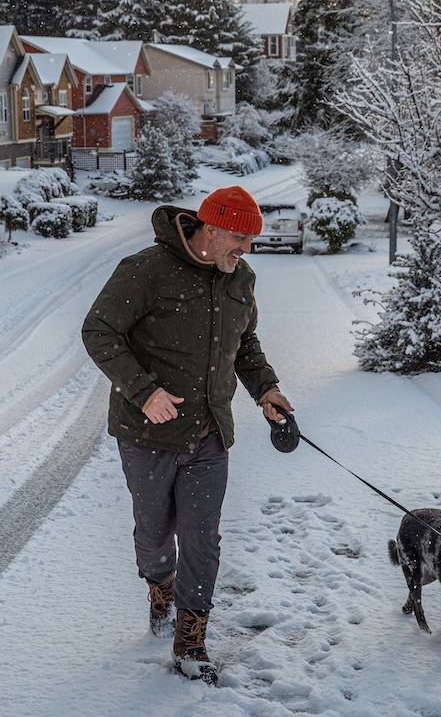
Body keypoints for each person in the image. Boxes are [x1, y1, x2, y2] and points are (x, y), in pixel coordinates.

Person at [81, 185, 293, 685]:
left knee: (202, 538)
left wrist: (266, 388)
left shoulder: (240, 278)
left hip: (209, 434)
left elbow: (246, 343)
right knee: (155, 536)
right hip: (147, 433)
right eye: (240, 239)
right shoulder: (147, 270)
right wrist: (144, 391)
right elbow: (98, 331)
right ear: (210, 228)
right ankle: (160, 587)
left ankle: (191, 637)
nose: (246, 251)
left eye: (250, 243)